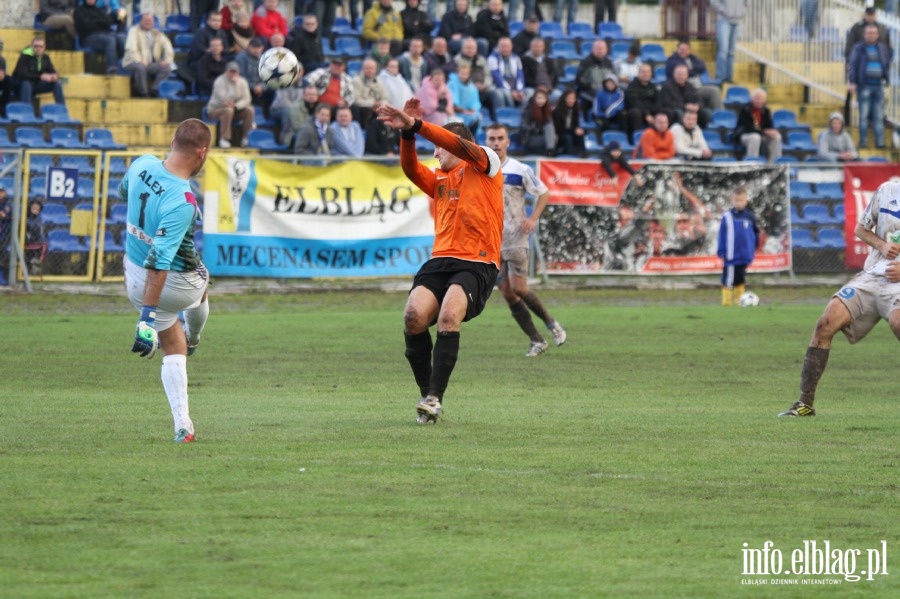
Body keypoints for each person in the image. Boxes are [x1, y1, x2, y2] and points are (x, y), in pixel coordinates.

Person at [374, 97, 504, 424]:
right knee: (413, 316)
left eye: (439, 148)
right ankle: (426, 395)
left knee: (449, 316)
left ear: (457, 147)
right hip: (440, 261)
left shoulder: (486, 163)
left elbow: (449, 141)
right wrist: (407, 134)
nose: (434, 153)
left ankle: (435, 397)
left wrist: (418, 125)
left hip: (477, 263)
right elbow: (409, 168)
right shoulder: (441, 178)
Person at [778, 178, 900, 417]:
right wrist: (882, 245)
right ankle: (805, 405)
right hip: (872, 276)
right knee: (825, 324)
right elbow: (861, 230)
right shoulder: (886, 190)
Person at [123, 118, 211, 443]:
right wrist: (145, 321)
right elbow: (159, 263)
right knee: (202, 281)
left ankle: (183, 425)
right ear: (202, 152)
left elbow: (124, 190)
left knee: (172, 344)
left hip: (133, 276)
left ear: (173, 142)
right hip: (166, 283)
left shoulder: (142, 162)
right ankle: (197, 335)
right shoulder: (183, 200)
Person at [485, 122, 567, 356]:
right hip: (492, 240)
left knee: (519, 288)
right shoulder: (481, 168)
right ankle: (536, 340)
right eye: (492, 139)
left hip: (516, 237)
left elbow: (543, 193)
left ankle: (552, 324)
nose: (496, 143)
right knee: (507, 291)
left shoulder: (519, 169)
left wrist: (533, 219)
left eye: (501, 138)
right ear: (486, 141)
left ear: (508, 142)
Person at [847, 24, 891, 149]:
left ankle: (880, 143)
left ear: (877, 35)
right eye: (869, 33)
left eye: (873, 33)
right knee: (863, 116)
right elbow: (853, 66)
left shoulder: (882, 48)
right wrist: (852, 82)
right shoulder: (858, 48)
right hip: (864, 85)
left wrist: (886, 78)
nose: (871, 35)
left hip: (878, 86)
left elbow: (886, 63)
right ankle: (863, 142)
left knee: (878, 115)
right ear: (864, 34)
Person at [716, 187, 758, 306]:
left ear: (746, 201)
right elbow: (722, 234)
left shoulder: (750, 217)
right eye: (736, 200)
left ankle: (740, 303)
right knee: (728, 280)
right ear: (732, 201)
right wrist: (721, 250)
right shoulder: (727, 216)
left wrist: (753, 249)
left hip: (744, 256)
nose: (738, 203)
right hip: (731, 256)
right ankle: (727, 304)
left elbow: (755, 234)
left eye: (741, 200)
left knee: (740, 280)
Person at [122, 12, 174, 98]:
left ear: (153, 23)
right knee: (140, 68)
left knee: (166, 68)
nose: (147, 22)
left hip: (149, 63)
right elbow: (131, 48)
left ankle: (154, 90)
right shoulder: (133, 31)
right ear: (141, 21)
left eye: (150, 21)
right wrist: (139, 60)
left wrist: (167, 60)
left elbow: (168, 47)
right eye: (145, 20)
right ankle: (144, 94)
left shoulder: (157, 33)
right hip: (131, 62)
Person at [206, 61, 254, 148]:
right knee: (228, 110)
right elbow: (225, 99)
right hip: (215, 110)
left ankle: (246, 138)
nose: (233, 74)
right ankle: (224, 139)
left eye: (235, 72)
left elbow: (247, 99)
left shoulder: (243, 82)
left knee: (249, 110)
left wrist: (236, 106)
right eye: (230, 71)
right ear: (226, 72)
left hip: (234, 109)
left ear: (238, 72)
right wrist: (234, 86)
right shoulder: (219, 81)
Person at [74, 0, 126, 74]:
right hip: (88, 38)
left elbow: (107, 23)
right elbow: (84, 26)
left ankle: (126, 64)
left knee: (120, 37)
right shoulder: (79, 11)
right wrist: (99, 23)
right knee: (110, 40)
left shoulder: (97, 10)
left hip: (102, 34)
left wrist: (94, 22)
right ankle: (112, 68)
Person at [13, 37, 66, 105]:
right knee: (26, 83)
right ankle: (26, 110)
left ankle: (62, 109)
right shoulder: (24, 57)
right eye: (36, 46)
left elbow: (52, 70)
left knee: (56, 84)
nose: (38, 49)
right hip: (20, 85)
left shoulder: (45, 57)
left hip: (36, 85)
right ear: (32, 47)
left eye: (41, 46)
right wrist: (41, 77)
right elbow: (22, 75)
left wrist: (54, 76)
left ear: (44, 48)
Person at [734, 88, 782, 162]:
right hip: (745, 135)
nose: (759, 101)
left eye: (761, 99)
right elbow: (748, 127)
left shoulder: (766, 111)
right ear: (752, 99)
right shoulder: (745, 110)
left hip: (761, 135)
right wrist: (764, 131)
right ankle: (752, 163)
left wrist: (771, 131)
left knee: (777, 137)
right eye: (757, 98)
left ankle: (774, 164)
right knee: (755, 137)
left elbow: (769, 126)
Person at [658, 64, 708, 128]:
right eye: (679, 74)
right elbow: (668, 103)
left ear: (687, 75)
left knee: (706, 113)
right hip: (676, 111)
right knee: (679, 113)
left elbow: (699, 99)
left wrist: (697, 106)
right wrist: (685, 106)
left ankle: (700, 130)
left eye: (683, 74)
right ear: (674, 74)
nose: (681, 76)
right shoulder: (667, 87)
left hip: (691, 110)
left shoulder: (690, 86)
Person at [710, 0, 746, 84]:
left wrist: (742, 12)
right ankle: (720, 77)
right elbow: (713, 2)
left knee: (731, 52)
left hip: (737, 21)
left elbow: (747, 3)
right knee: (723, 51)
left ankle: (729, 77)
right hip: (724, 20)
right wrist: (725, 11)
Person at [236, 37, 274, 115]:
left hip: (261, 88)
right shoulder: (241, 58)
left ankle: (269, 116)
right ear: (248, 47)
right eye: (254, 47)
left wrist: (261, 87)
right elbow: (240, 77)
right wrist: (254, 87)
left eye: (258, 47)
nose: (256, 50)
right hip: (246, 88)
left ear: (262, 48)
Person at [575, 40, 615, 113]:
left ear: (606, 50)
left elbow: (613, 80)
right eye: (597, 48)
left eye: (602, 49)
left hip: (606, 92)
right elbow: (579, 81)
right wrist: (591, 87)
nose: (600, 51)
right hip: (589, 91)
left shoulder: (609, 63)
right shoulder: (585, 62)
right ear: (592, 49)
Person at [623, 62, 658, 144]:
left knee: (663, 113)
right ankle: (636, 141)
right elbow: (635, 102)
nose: (646, 74)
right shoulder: (632, 86)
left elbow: (658, 101)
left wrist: (654, 114)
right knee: (636, 112)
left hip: (649, 113)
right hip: (636, 113)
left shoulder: (653, 87)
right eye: (643, 72)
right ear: (638, 73)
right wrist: (647, 114)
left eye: (648, 72)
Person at [487, 37, 525, 109]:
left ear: (511, 47)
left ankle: (522, 114)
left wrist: (520, 90)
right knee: (506, 94)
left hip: (515, 86)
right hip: (499, 86)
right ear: (498, 47)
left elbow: (520, 75)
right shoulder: (492, 58)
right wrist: (511, 91)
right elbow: (497, 78)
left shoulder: (516, 58)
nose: (505, 49)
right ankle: (511, 114)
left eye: (507, 46)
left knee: (529, 93)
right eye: (503, 46)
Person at [270, 79, 311, 146]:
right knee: (288, 112)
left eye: (299, 72)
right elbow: (283, 101)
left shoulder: (304, 84)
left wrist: (296, 108)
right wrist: (295, 108)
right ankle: (285, 139)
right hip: (278, 109)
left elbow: (301, 100)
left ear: (302, 72)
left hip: (295, 109)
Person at [518, 86, 556, 155]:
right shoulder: (528, 109)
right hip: (529, 137)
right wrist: (536, 129)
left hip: (542, 135)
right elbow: (524, 126)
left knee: (551, 129)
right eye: (539, 98)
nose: (541, 100)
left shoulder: (547, 109)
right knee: (550, 140)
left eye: (544, 98)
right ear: (534, 98)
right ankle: (550, 152)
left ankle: (549, 151)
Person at [351, 58, 388, 127]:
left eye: (372, 68)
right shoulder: (356, 81)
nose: (369, 70)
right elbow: (356, 100)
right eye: (367, 68)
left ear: (376, 70)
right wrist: (372, 104)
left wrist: (381, 104)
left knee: (388, 110)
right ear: (363, 69)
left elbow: (386, 98)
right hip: (364, 109)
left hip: (378, 108)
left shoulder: (379, 82)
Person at [447, 63, 482, 134]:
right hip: (454, 113)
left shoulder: (472, 87)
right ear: (458, 73)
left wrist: (472, 109)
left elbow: (476, 102)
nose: (463, 76)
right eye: (462, 73)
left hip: (468, 113)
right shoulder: (451, 84)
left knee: (478, 117)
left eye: (466, 74)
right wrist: (464, 111)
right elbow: (451, 103)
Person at [522, 37, 558, 102]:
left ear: (543, 48)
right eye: (535, 47)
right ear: (530, 47)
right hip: (532, 88)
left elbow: (555, 76)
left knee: (559, 95)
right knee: (530, 94)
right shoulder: (524, 60)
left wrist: (549, 87)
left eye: (539, 47)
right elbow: (525, 78)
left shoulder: (549, 60)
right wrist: (538, 87)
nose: (537, 49)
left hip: (548, 88)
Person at [552, 88, 586, 156]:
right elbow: (558, 128)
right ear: (564, 99)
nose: (571, 100)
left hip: (571, 132)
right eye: (569, 98)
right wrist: (574, 130)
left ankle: (583, 155)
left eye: (573, 98)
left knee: (580, 135)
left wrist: (581, 130)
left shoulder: (576, 110)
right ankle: (569, 155)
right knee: (567, 137)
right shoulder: (557, 111)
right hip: (560, 134)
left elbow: (576, 125)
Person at [24, 200, 48, 276]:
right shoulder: (26, 219)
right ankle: (29, 269)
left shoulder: (39, 220)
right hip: (27, 243)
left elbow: (41, 233)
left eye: (38, 209)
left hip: (37, 243)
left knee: (44, 245)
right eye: (34, 208)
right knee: (27, 258)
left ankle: (37, 263)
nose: (35, 211)